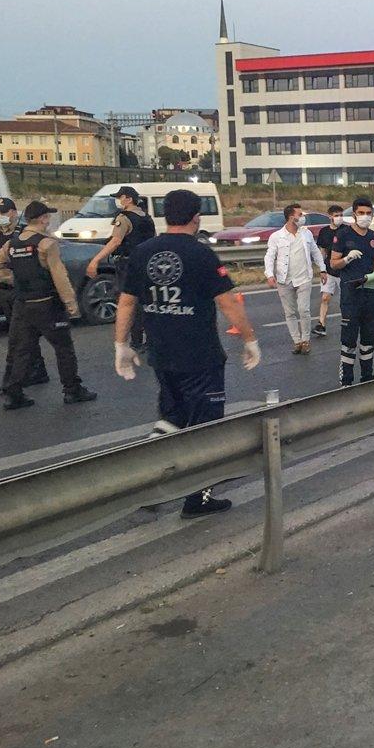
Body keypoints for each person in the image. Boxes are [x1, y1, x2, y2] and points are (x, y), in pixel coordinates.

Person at [114, 189, 260, 519]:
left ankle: (150, 483)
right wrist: (250, 340)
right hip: (200, 355)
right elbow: (226, 303)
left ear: (166, 216)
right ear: (196, 217)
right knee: (207, 427)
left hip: (161, 353)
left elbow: (126, 302)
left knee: (173, 417)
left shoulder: (142, 253)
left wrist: (121, 345)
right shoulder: (202, 255)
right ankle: (199, 498)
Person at [0, 200, 96, 410]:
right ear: (42, 219)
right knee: (63, 348)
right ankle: (72, 390)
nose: (49, 220)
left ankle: (14, 392)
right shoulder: (47, 243)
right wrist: (71, 303)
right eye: (47, 216)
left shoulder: (13, 242)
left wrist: (14, 278)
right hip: (47, 304)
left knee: (21, 349)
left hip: (22, 304)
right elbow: (59, 275)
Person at [0, 196, 49, 390]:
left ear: (13, 213)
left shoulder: (22, 234)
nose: (0, 216)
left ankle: (29, 373)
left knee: (22, 334)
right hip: (3, 290)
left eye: (3, 212)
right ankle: (32, 372)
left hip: (19, 290)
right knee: (19, 334)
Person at [86, 186, 156, 350]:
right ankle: (152, 339)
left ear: (128, 199)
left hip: (128, 264)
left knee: (129, 302)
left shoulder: (124, 218)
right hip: (145, 263)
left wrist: (96, 260)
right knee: (146, 302)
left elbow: (116, 241)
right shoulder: (147, 217)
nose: (119, 201)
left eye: (120, 197)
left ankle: (136, 341)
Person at [330, 197, 374, 385]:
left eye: (368, 213)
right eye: (361, 213)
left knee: (369, 336)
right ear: (354, 214)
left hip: (369, 292)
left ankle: (367, 377)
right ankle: (345, 379)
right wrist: (347, 259)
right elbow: (333, 263)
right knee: (349, 338)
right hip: (350, 293)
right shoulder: (344, 235)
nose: (365, 217)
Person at [264, 203, 325, 354]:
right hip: (284, 280)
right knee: (290, 312)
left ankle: (305, 340)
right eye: (300, 215)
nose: (303, 218)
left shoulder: (306, 234)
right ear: (291, 218)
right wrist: (269, 274)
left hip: (304, 277)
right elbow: (270, 256)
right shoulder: (277, 237)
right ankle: (296, 341)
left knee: (304, 310)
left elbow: (315, 252)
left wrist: (323, 269)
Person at [313, 205, 343, 336]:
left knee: (346, 299)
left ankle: (350, 322)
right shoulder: (324, 232)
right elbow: (322, 252)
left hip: (344, 270)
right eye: (337, 215)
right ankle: (321, 325)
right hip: (329, 270)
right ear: (330, 216)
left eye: (341, 215)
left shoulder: (346, 230)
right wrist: (322, 270)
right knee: (325, 297)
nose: (339, 218)